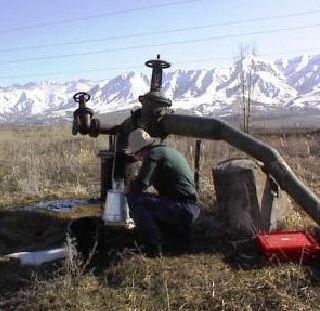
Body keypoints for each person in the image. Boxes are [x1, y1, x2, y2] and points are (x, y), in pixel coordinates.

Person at [127, 128, 200, 257]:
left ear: (141, 150)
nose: (137, 158)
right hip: (189, 207)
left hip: (183, 209)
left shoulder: (153, 155)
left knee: (135, 200)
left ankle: (153, 248)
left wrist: (128, 185)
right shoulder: (165, 150)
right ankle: (173, 238)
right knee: (148, 199)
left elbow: (140, 186)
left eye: (135, 155)